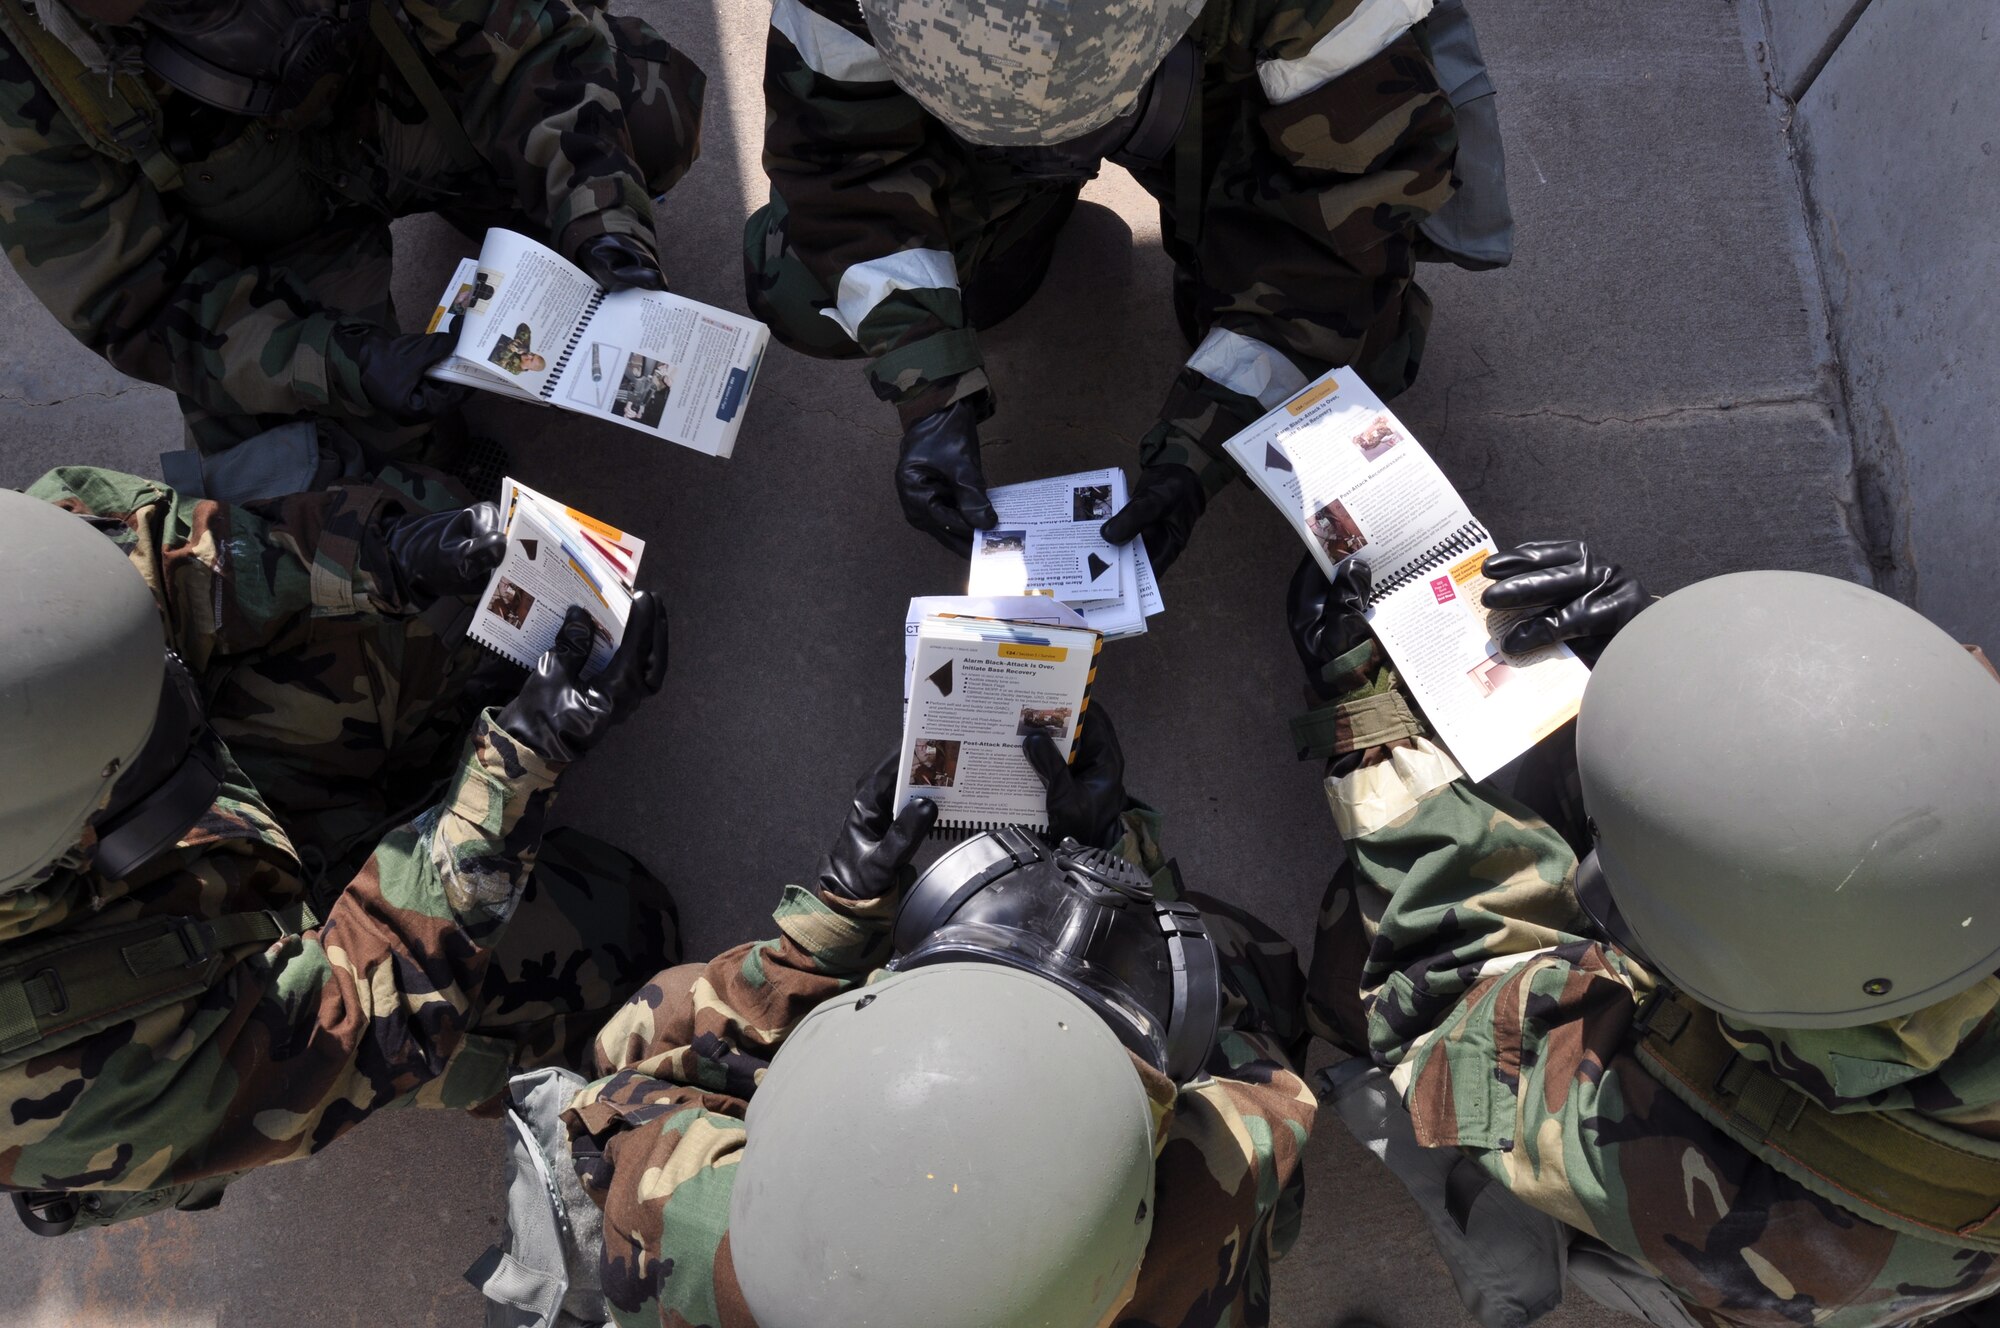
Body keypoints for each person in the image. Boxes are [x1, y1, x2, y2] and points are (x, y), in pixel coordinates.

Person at [1287, 541, 2000, 1328]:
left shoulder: (1760, 1216)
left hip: (1798, 1240)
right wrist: (1696, 667)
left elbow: (1453, 1012)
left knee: (1368, 971)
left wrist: (1371, 720)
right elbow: (1919, 733)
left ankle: (1521, 1236)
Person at [0, 458, 676, 1236]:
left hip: (186, 831)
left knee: (433, 547)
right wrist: (515, 764)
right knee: (613, 944)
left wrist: (385, 556)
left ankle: (411, 790)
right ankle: (430, 823)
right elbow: (349, 1027)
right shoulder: (51, 1064)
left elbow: (154, 557)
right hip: (216, 1004)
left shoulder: (23, 585)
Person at [470, 710, 1316, 1327]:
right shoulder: (1202, 1221)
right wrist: (1128, 877)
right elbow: (1261, 1092)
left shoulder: (684, 1223)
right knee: (1230, 968)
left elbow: (634, 1070)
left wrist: (821, 939)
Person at [745, 0, 1513, 565]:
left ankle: (1210, 247)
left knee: (1356, 351)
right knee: (803, 286)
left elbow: (1345, 232)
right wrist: (929, 387)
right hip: (1024, 97)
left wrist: (1203, 442)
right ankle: (1014, 214)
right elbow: (839, 168)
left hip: (1209, 77)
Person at [0, 0, 705, 455]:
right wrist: (346, 367)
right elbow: (143, 309)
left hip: (408, 104)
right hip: (275, 243)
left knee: (648, 115)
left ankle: (512, 205)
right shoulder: (19, 71)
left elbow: (531, 42)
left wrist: (601, 213)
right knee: (309, 495)